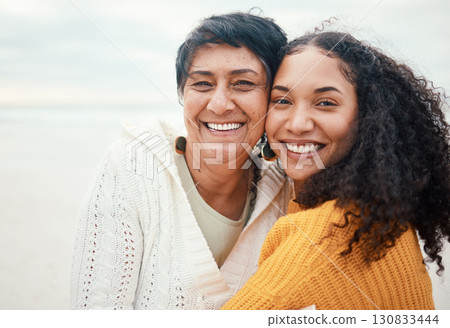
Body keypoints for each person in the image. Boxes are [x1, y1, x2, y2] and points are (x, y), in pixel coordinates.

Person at [71, 12, 292, 309]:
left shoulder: (290, 185)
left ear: (275, 98)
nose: (219, 104)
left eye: (242, 83)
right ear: (181, 93)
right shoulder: (132, 166)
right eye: (202, 84)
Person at [223, 30, 450, 310]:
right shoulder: (377, 213)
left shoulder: (330, 231)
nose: (298, 124)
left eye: (326, 103)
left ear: (368, 118)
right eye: (282, 101)